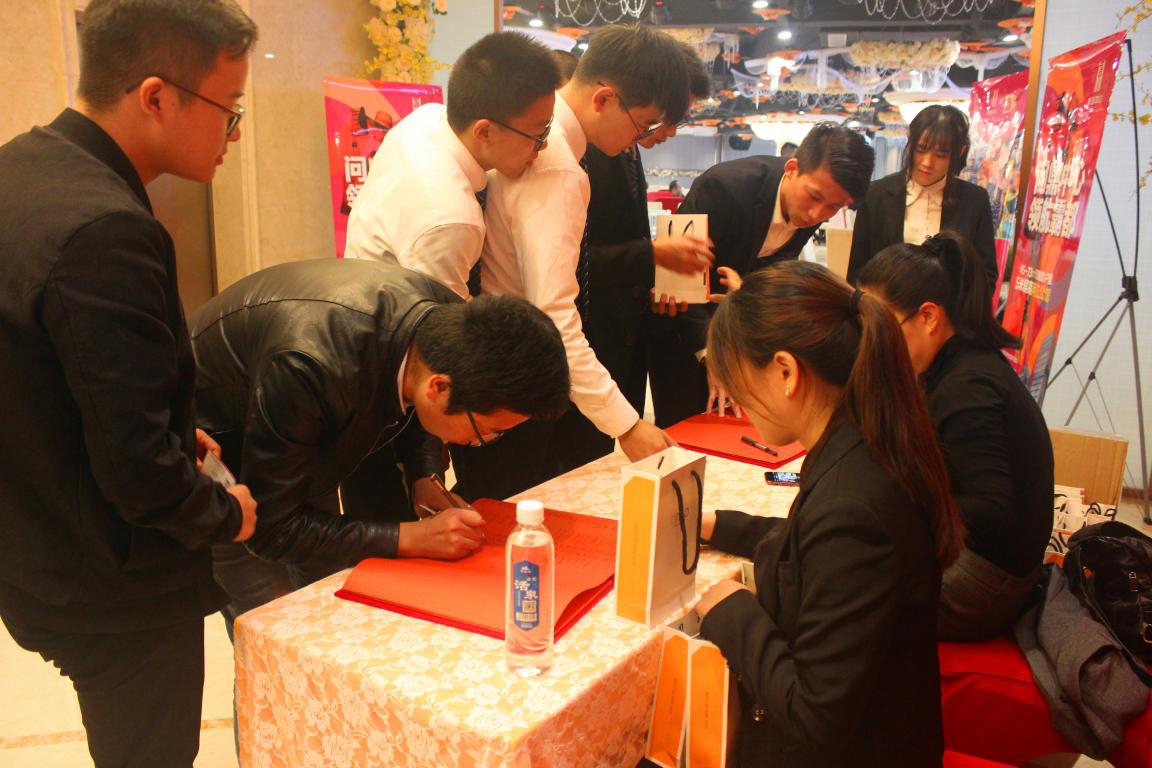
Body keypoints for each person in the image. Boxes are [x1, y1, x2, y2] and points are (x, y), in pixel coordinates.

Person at [0, 1, 259, 765]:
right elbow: (139, 473)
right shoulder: (106, 229)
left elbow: (47, 372)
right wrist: (226, 512)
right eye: (229, 108)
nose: (233, 134)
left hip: (32, 540)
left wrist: (168, 421)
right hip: (113, 586)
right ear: (155, 96)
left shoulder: (20, 166)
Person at [190, 258, 570, 626]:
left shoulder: (449, 324)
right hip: (220, 452)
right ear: (440, 388)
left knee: (329, 600)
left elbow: (412, 398)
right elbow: (272, 530)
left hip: (297, 438)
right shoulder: (310, 366)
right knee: (274, 621)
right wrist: (411, 537)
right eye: (486, 430)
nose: (482, 441)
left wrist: (423, 475)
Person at [694, 261, 964, 767]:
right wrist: (719, 526)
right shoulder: (864, 440)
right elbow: (814, 548)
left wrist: (733, 611)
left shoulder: (852, 504)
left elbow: (813, 720)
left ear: (785, 372)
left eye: (739, 384)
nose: (740, 404)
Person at [450, 24, 692, 500]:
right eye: (644, 125)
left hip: (502, 356)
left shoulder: (548, 140)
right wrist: (627, 425)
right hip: (512, 374)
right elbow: (555, 313)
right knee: (516, 518)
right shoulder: (557, 163)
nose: (642, 140)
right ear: (604, 98)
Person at [857, 231, 1053, 640]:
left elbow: (991, 510)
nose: (872, 341)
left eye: (880, 327)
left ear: (928, 317)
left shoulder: (968, 387)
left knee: (838, 578)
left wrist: (899, 508)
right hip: (991, 564)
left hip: (986, 584)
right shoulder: (955, 362)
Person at [648, 123, 874, 427]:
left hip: (740, 337)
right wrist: (714, 353)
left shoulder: (810, 210)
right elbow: (676, 279)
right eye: (814, 197)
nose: (815, 215)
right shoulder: (723, 187)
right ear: (792, 168)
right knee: (685, 433)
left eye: (832, 207)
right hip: (682, 330)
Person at [345, 32, 560, 298]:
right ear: (485, 132)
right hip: (384, 317)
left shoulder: (426, 117)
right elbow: (442, 321)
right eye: (537, 135)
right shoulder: (449, 219)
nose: (544, 146)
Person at [580, 39, 712, 436]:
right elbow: (571, 260)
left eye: (677, 120)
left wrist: (658, 280)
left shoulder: (628, 146)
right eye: (663, 118)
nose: (668, 131)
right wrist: (650, 254)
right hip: (588, 342)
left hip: (626, 341)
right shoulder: (586, 146)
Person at [847, 104, 997, 288]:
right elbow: (857, 273)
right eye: (921, 149)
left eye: (940, 154)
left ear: (959, 152)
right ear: (910, 140)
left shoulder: (974, 201)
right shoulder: (876, 195)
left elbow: (985, 276)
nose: (927, 162)